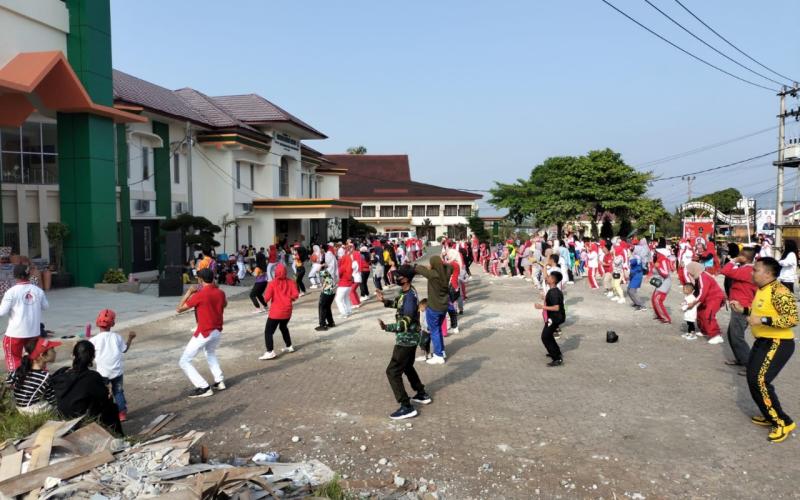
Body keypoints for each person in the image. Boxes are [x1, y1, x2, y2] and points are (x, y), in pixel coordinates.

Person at [729, 257, 797, 443]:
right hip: (763, 340)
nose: (752, 273)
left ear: (768, 273)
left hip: (778, 342)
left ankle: (782, 422)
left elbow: (792, 319)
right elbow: (761, 312)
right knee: (753, 378)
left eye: (756, 270)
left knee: (760, 381)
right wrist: (744, 310)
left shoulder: (780, 291)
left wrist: (763, 321)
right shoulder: (763, 289)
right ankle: (769, 414)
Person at [376, 265, 431, 420]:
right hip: (411, 338)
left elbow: (404, 324)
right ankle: (421, 393)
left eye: (399, 276)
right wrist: (384, 301)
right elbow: (398, 304)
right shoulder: (406, 292)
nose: (396, 278)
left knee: (392, 371)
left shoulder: (410, 297)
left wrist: (386, 327)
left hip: (406, 340)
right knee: (407, 366)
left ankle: (406, 406)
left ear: (406, 279)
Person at [51, 341, 123, 435]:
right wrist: (108, 392)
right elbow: (103, 398)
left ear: (73, 356)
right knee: (111, 406)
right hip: (79, 420)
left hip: (61, 417)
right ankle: (117, 434)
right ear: (92, 358)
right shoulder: (92, 377)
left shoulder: (61, 373)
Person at [175, 268, 227, 398]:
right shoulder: (220, 292)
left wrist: (189, 292)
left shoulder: (200, 294)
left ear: (200, 279)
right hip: (217, 330)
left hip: (204, 331)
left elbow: (179, 309)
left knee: (184, 361)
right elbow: (224, 304)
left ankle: (203, 387)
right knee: (210, 353)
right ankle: (219, 381)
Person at [89, 309, 136, 422]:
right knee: (118, 392)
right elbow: (125, 349)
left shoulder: (93, 340)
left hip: (102, 373)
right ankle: (122, 413)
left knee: (102, 393)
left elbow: (89, 355)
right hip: (117, 372)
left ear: (97, 323)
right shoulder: (117, 337)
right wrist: (130, 338)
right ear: (113, 324)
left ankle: (104, 413)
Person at [1, 264, 49, 372]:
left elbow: (2, 312)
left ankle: (17, 382)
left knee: (14, 360)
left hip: (15, 334)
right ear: (29, 275)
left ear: (15, 276)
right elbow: (46, 306)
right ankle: (40, 380)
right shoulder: (38, 291)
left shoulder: (11, 292)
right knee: (37, 359)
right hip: (34, 333)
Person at [721, 247, 757, 371]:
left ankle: (749, 365)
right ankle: (741, 359)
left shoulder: (747, 270)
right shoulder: (746, 269)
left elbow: (725, 271)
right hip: (739, 305)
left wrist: (734, 260)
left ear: (744, 257)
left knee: (737, 337)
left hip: (742, 307)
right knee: (732, 334)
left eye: (740, 255)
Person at [414, 256, 453, 365]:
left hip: (434, 308)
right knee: (438, 330)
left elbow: (418, 268)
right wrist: (438, 265)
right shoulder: (447, 271)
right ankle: (441, 351)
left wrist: (425, 266)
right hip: (444, 307)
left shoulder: (433, 274)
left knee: (434, 331)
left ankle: (438, 356)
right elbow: (450, 265)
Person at [6, 337, 60, 415]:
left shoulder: (20, 369)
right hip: (33, 410)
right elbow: (52, 400)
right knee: (56, 406)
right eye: (52, 349)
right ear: (42, 355)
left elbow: (8, 381)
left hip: (20, 408)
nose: (55, 352)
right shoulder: (45, 377)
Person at [259, 263, 299, 360]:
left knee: (268, 332)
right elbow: (296, 295)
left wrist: (263, 297)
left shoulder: (272, 283)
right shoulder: (291, 282)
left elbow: (266, 298)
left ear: (276, 272)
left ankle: (270, 351)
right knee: (283, 327)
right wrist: (289, 299)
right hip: (287, 310)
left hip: (276, 312)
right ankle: (289, 346)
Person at [686, 261, 726, 345]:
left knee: (708, 314)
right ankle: (705, 330)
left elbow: (702, 293)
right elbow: (697, 291)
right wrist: (688, 300)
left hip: (716, 298)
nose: (689, 273)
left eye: (690, 271)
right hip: (708, 299)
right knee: (700, 312)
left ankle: (716, 335)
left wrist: (693, 303)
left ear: (694, 270)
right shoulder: (698, 277)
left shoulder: (703, 277)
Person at [535, 271, 565, 367]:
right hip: (555, 317)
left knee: (545, 337)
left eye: (549, 277)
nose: (546, 278)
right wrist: (545, 297)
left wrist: (541, 307)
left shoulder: (554, 293)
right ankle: (556, 352)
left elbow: (556, 307)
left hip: (555, 318)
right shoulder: (553, 290)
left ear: (553, 280)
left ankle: (557, 358)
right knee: (549, 335)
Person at [651, 239, 673, 324]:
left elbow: (665, 273)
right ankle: (659, 315)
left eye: (657, 252)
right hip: (661, 282)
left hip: (665, 283)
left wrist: (658, 267)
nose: (655, 254)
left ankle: (666, 318)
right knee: (654, 299)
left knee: (657, 299)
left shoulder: (663, 260)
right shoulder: (660, 260)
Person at [315, 266, 336, 332]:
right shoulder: (328, 274)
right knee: (327, 308)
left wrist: (321, 266)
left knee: (322, 308)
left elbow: (317, 271)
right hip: (331, 294)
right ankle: (331, 323)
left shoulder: (324, 273)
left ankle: (322, 325)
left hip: (326, 294)